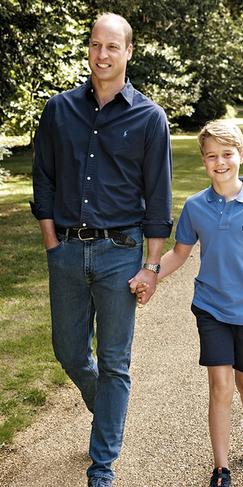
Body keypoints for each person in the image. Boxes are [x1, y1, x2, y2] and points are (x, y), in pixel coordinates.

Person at [30, 13, 172, 487]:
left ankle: (102, 465)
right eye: (95, 45)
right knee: (69, 352)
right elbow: (44, 180)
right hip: (67, 252)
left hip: (120, 253)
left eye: (112, 46)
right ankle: (108, 409)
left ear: (129, 52)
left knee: (115, 361)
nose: (102, 54)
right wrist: (52, 242)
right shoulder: (59, 110)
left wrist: (151, 265)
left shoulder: (150, 117)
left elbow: (159, 197)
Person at [133, 120, 243, 487]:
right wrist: (152, 275)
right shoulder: (195, 207)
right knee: (221, 386)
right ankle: (221, 468)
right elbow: (179, 252)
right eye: (212, 157)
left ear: (241, 155)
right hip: (210, 307)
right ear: (204, 161)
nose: (220, 163)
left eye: (227, 154)